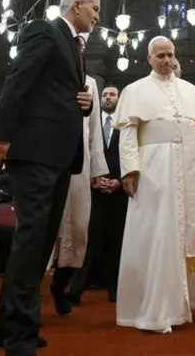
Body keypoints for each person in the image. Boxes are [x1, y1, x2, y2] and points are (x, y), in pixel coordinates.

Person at [0, 0, 100, 356]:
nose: (98, 15)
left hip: (60, 156)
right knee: (30, 242)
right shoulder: (44, 30)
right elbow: (17, 80)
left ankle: (7, 325)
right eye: (95, 8)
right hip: (35, 153)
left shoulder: (75, 47)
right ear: (77, 5)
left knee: (39, 242)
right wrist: (2, 136)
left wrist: (81, 103)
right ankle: (20, 334)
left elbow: (53, 92)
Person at [113, 36, 195, 334]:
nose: (166, 60)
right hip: (154, 171)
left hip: (189, 170)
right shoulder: (135, 91)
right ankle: (157, 306)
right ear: (149, 58)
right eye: (160, 55)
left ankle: (187, 302)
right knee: (157, 235)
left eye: (170, 54)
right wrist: (130, 171)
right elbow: (127, 135)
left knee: (189, 231)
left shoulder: (190, 90)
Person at [48, 74, 109, 315]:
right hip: (46, 159)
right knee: (41, 229)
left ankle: (60, 285)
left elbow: (94, 129)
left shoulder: (90, 82)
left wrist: (97, 168)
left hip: (79, 165)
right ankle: (27, 295)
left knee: (78, 229)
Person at [73, 85, 124, 303]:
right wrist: (95, 177)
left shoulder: (126, 124)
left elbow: (133, 154)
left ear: (119, 99)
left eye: (112, 95)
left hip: (119, 193)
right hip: (93, 190)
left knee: (117, 241)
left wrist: (118, 181)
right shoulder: (90, 126)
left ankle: (115, 288)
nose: (108, 98)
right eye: (105, 95)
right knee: (89, 240)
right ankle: (76, 288)